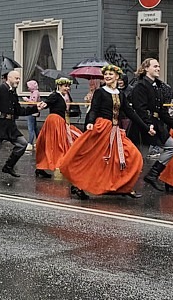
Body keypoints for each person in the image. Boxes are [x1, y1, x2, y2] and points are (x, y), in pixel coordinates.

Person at [60, 64, 151, 199]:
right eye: (106, 74)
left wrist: (146, 127)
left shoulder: (120, 94)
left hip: (115, 130)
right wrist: (90, 122)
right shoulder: (100, 92)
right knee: (95, 160)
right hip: (102, 128)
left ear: (117, 77)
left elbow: (130, 113)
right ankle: (79, 185)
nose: (107, 76)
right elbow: (94, 109)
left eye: (110, 74)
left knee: (133, 156)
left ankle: (123, 186)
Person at [130, 58, 173, 191]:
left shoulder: (157, 86)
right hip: (143, 125)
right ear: (146, 68)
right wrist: (148, 124)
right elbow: (140, 109)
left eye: (159, 66)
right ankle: (124, 185)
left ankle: (152, 174)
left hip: (157, 124)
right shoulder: (140, 86)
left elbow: (162, 111)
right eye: (155, 66)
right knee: (138, 159)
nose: (158, 68)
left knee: (172, 147)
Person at [0, 69, 38, 181]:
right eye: (16, 78)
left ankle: (8, 166)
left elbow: (19, 111)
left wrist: (36, 108)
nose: (18, 80)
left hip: (10, 126)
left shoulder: (13, 93)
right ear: (9, 78)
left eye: (19, 78)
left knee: (22, 144)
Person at [34, 78, 82, 179]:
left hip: (60, 121)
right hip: (54, 121)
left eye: (68, 86)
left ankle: (44, 167)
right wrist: (43, 104)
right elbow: (48, 101)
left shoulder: (63, 96)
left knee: (59, 143)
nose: (67, 88)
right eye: (65, 86)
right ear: (59, 86)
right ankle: (54, 164)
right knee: (55, 144)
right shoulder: (55, 95)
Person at [25, 80, 40, 150]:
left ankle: (30, 143)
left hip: (32, 112)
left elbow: (33, 102)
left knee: (30, 128)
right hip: (34, 111)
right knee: (35, 127)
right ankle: (39, 141)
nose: (28, 88)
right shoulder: (34, 92)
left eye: (29, 87)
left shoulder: (35, 93)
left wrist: (26, 100)